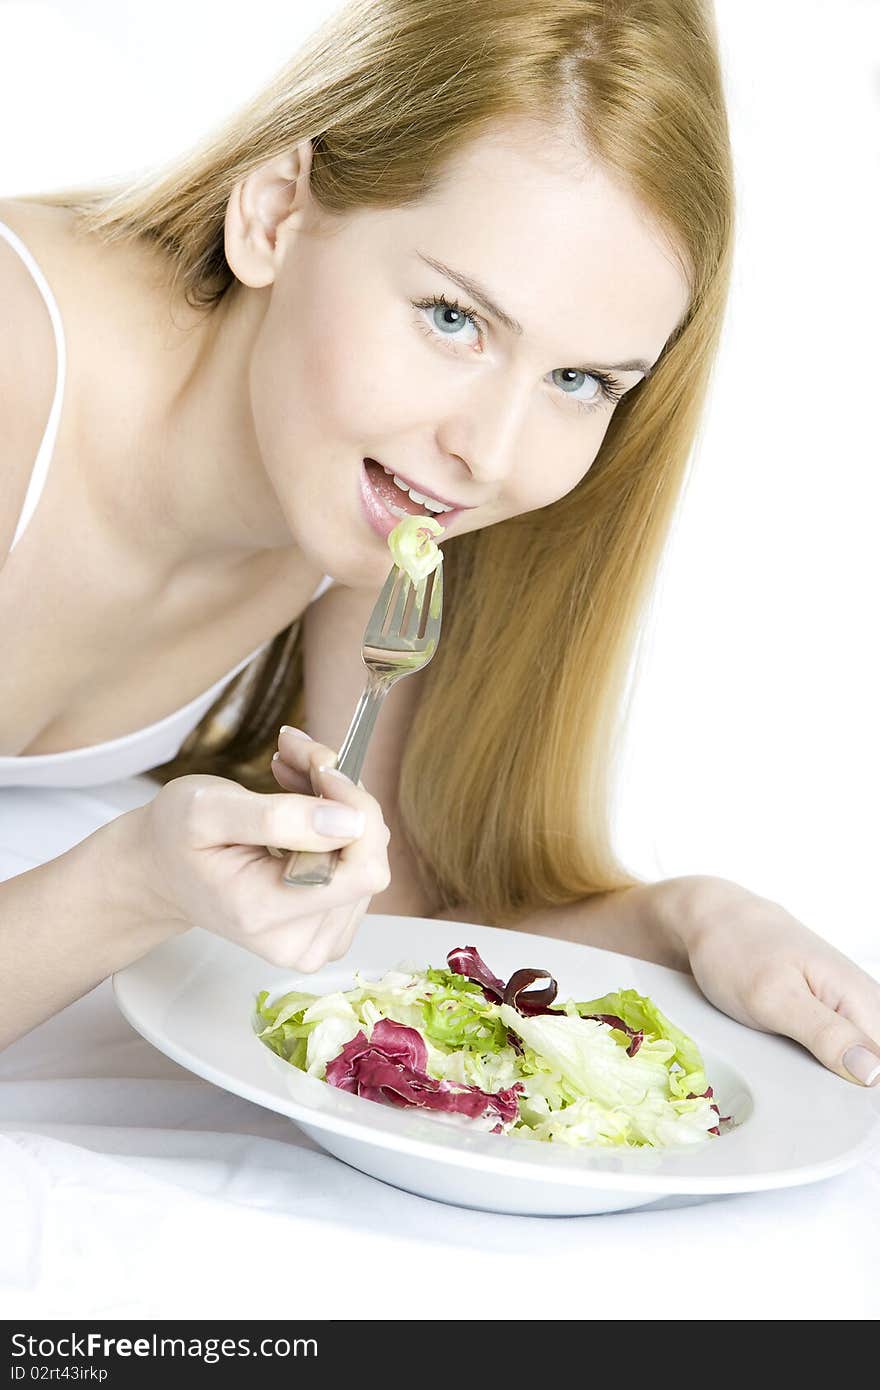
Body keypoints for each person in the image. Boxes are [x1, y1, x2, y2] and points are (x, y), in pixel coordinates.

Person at [1, 0, 877, 1087]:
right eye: (454, 319)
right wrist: (126, 884)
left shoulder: (363, 497)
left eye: (577, 381)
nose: (491, 454)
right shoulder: (14, 369)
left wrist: (690, 923)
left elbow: (401, 915)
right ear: (275, 214)